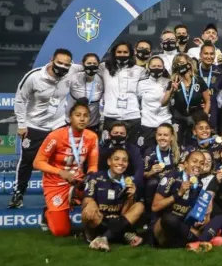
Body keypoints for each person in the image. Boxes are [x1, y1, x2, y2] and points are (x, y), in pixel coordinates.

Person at [9, 48, 83, 209]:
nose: (63, 67)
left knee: (65, 161)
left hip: (58, 125)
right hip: (35, 126)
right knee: (28, 161)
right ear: (51, 60)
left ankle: (67, 195)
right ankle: (18, 193)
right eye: (59, 63)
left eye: (66, 64)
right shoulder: (34, 77)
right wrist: (21, 125)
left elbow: (91, 65)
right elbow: (20, 100)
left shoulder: (72, 70)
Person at [32, 100, 99, 236]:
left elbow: (92, 165)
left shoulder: (91, 137)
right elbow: (37, 162)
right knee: (61, 231)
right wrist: (60, 172)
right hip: (55, 182)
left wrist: (89, 178)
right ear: (70, 117)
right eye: (78, 115)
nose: (82, 118)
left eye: (85, 115)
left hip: (77, 180)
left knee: (99, 190)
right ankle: (47, 213)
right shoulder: (56, 136)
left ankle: (90, 225)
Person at [151, 151, 222, 252]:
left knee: (219, 215)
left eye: (201, 163)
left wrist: (203, 219)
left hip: (183, 227)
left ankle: (195, 241)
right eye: (194, 161)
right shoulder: (172, 177)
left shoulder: (198, 184)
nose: (198, 165)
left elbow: (194, 212)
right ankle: (199, 240)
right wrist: (178, 194)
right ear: (185, 164)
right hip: (163, 227)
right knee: (170, 219)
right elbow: (155, 206)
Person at [82, 148, 145, 251]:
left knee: (139, 206)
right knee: (88, 209)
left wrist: (131, 197)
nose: (121, 163)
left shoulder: (128, 181)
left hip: (118, 220)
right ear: (109, 161)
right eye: (116, 159)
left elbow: (125, 214)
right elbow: (87, 199)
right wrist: (91, 202)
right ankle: (122, 235)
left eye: (124, 160)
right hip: (99, 219)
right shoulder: (96, 177)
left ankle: (104, 238)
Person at [100, 40, 147, 143]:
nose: (122, 54)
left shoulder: (139, 71)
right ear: (114, 53)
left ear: (130, 54)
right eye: (119, 52)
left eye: (125, 52)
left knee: (132, 149)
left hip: (132, 116)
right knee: (110, 151)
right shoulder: (104, 68)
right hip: (111, 116)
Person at [169, 54, 210, 144]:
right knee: (177, 144)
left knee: (196, 144)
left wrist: (203, 117)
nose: (180, 66)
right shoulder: (173, 82)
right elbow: (166, 102)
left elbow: (207, 101)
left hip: (196, 118)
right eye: (177, 64)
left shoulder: (198, 80)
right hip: (179, 118)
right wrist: (172, 91)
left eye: (182, 63)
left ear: (189, 64)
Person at [98, 121, 144, 201]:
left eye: (122, 133)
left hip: (127, 181)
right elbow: (98, 168)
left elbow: (139, 170)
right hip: (106, 181)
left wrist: (131, 183)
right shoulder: (103, 149)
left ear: (127, 135)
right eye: (115, 133)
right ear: (109, 134)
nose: (118, 135)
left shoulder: (133, 149)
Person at [142, 123, 180, 220]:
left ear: (171, 137)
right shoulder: (149, 152)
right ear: (156, 136)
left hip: (172, 183)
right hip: (156, 184)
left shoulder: (177, 151)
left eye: (165, 135)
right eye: (159, 135)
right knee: (152, 183)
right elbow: (143, 174)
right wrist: (151, 172)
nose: (162, 138)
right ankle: (151, 216)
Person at [136, 56, 174, 150]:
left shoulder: (169, 83)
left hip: (165, 123)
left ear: (163, 68)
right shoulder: (141, 84)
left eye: (159, 66)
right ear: (148, 67)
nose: (156, 68)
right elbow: (136, 102)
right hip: (147, 124)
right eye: (154, 66)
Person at [69, 53, 104, 136]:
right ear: (83, 64)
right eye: (88, 63)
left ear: (98, 65)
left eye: (94, 64)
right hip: (73, 123)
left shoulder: (102, 80)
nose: (92, 66)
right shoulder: (74, 77)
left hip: (92, 124)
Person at [196, 42, 222, 129]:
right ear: (200, 55)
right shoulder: (194, 70)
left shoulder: (219, 72)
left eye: (212, 54)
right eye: (206, 53)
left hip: (213, 111)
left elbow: (220, 95)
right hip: (196, 110)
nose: (209, 56)